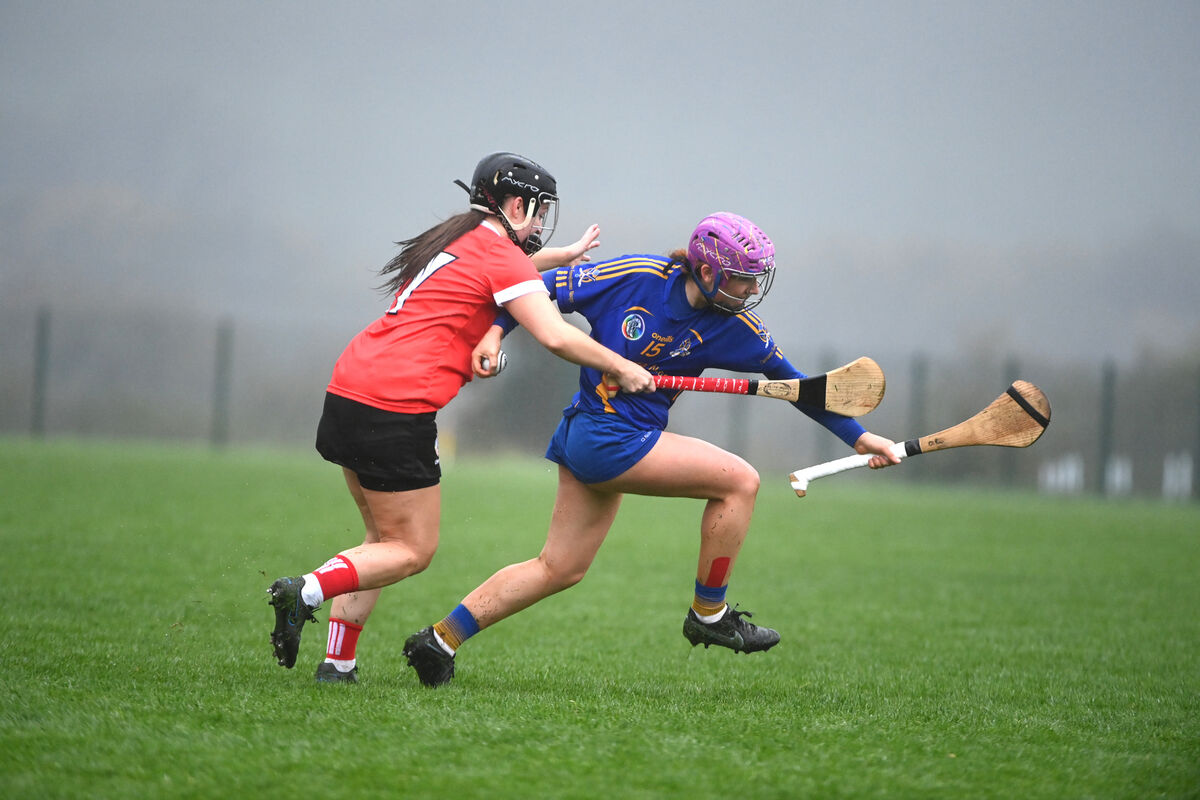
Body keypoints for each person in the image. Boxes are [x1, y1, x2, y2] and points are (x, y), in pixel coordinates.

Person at [401, 211, 901, 687]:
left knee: (559, 568)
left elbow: (798, 388)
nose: (751, 291)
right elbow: (532, 288)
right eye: (742, 279)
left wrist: (861, 438)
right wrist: (492, 333)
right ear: (706, 270)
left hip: (604, 439)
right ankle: (710, 613)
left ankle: (438, 641)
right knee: (741, 482)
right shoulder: (637, 277)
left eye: (756, 280)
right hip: (602, 435)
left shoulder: (737, 328)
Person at [266, 152, 655, 683]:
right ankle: (302, 592)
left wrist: (559, 256)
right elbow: (556, 335)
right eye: (539, 213)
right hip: (395, 407)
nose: (541, 225)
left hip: (348, 389)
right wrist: (621, 366)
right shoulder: (501, 257)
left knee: (379, 542)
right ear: (516, 205)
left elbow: (500, 274)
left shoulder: (456, 238)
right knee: (410, 549)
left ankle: (337, 664)